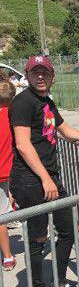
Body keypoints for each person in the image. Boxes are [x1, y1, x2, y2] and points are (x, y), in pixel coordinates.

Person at [10, 55, 79, 287]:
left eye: (45, 72)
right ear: (27, 76)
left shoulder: (47, 102)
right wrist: (45, 178)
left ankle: (60, 283)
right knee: (38, 238)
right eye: (35, 72)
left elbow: (63, 129)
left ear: (53, 76)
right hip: (31, 180)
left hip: (49, 177)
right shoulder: (23, 103)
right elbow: (22, 144)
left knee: (68, 229)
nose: (40, 76)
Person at [0, 80, 16, 271]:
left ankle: (7, 256)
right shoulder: (13, 116)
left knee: (2, 215)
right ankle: (8, 257)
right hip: (11, 170)